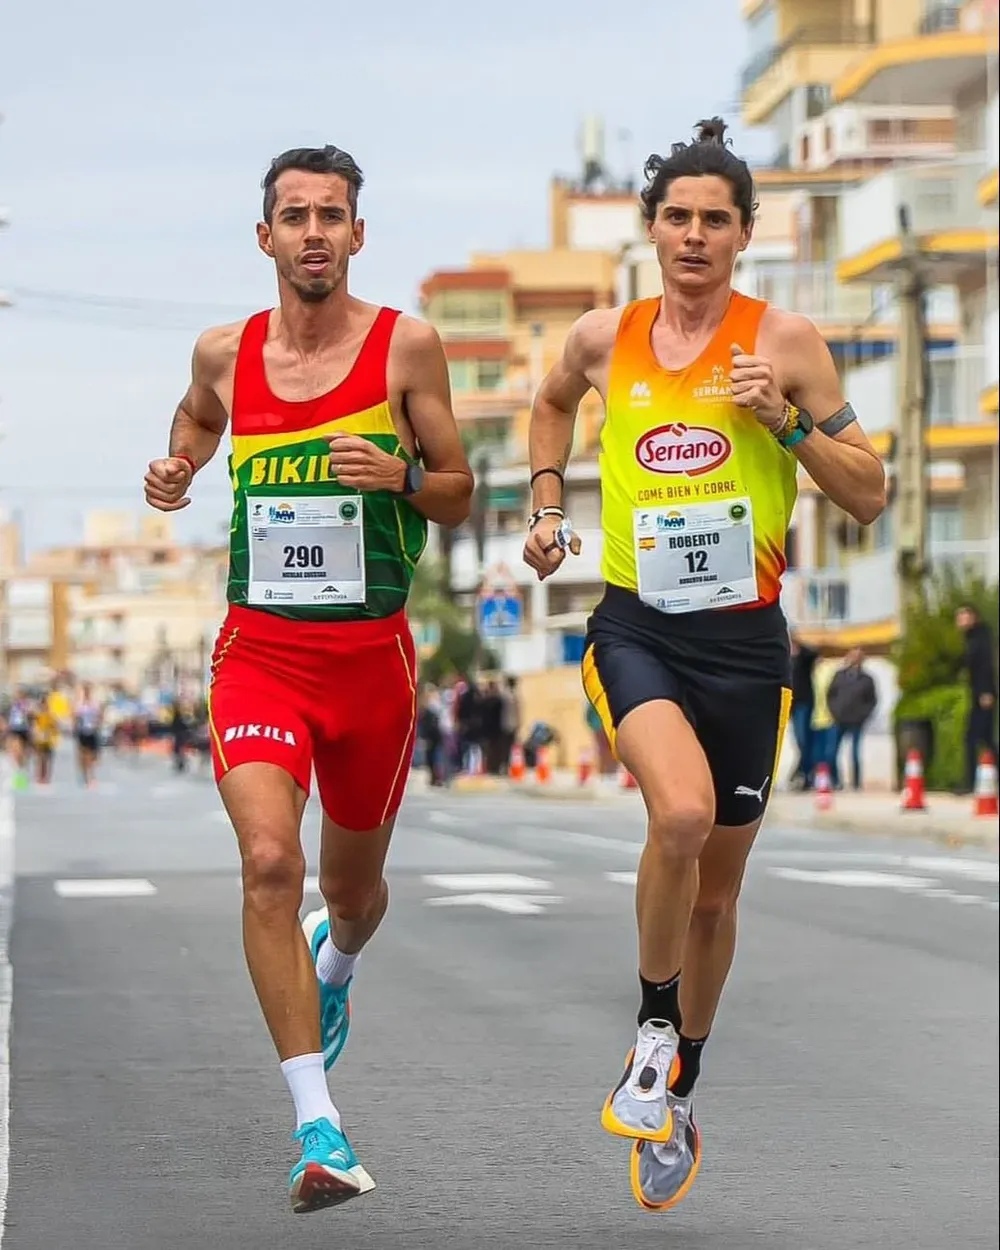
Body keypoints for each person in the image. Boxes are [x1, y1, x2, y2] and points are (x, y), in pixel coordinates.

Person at [522, 117, 885, 1212]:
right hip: (636, 624)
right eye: (674, 215)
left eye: (713, 219)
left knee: (717, 898)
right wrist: (545, 506)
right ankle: (649, 1022)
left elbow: (868, 492)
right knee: (675, 817)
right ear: (649, 228)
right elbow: (547, 403)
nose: (692, 234)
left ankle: (680, 1080)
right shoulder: (601, 337)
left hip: (746, 641)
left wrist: (783, 424)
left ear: (743, 236)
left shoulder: (787, 344)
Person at [143, 145, 473, 1215]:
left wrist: (404, 476)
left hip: (370, 659)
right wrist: (178, 467)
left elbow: (462, 491)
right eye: (296, 216)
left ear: (358, 234)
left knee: (354, 893)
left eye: (333, 214)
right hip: (262, 653)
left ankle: (333, 967)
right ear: (266, 237)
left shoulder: (404, 347)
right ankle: (315, 1121)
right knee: (269, 860)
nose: (315, 232)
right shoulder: (225, 351)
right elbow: (196, 417)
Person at [955, 604, 998, 792]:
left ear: (973, 617)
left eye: (963, 616)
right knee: (985, 738)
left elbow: (986, 665)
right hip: (977, 693)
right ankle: (975, 781)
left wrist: (987, 692)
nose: (959, 621)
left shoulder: (981, 637)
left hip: (984, 693)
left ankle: (970, 782)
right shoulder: (970, 637)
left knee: (974, 738)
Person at [828, 648, 878, 791]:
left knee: (855, 753)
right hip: (839, 719)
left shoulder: (867, 679)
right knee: (832, 752)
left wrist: (863, 715)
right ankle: (836, 780)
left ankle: (856, 782)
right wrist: (834, 711)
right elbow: (830, 695)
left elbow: (872, 701)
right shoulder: (839, 675)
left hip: (856, 720)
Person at [74, 682, 104, 789]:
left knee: (91, 756)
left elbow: (100, 716)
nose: (87, 693)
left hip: (92, 731)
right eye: (85, 690)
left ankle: (91, 777)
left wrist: (98, 723)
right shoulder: (79, 704)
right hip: (82, 731)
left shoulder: (94, 703)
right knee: (83, 756)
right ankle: (85, 776)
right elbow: (75, 717)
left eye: (88, 690)